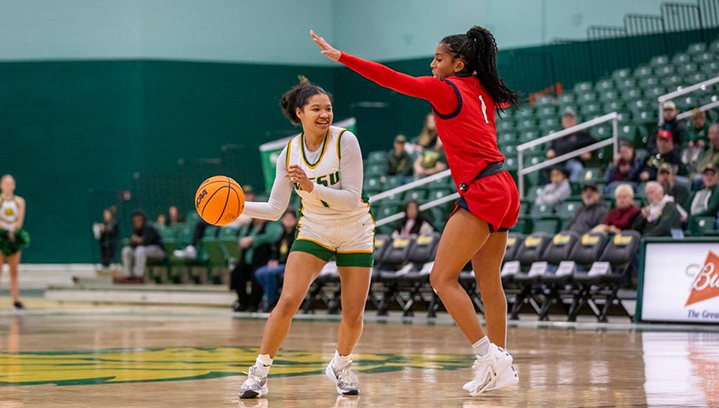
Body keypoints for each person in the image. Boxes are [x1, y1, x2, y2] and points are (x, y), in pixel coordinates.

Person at [311, 25, 520, 395]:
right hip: (505, 185)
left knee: (441, 279)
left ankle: (489, 355)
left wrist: (342, 57)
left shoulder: (446, 90)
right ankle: (499, 362)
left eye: (439, 58)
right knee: (490, 282)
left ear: (458, 63)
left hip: (484, 189)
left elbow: (392, 79)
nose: (432, 64)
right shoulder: (485, 90)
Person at [238, 77, 375, 398]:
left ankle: (341, 365)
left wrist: (313, 188)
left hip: (355, 228)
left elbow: (352, 198)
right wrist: (236, 208)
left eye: (328, 108)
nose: (325, 114)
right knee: (287, 300)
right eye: (316, 109)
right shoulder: (289, 153)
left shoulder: (345, 141)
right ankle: (258, 373)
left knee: (353, 313)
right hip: (315, 228)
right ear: (299, 113)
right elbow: (274, 209)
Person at [230, 218, 283, 313]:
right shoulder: (249, 226)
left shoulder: (271, 225)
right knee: (236, 272)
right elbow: (240, 239)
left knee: (256, 275)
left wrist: (254, 239)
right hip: (247, 260)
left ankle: (254, 303)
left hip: (263, 259)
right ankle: (243, 301)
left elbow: (274, 236)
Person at [255, 210, 297, 313]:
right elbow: (275, 250)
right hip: (278, 264)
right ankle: (275, 296)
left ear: (295, 220)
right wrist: (272, 260)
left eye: (290, 219)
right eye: (286, 218)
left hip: (288, 265)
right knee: (259, 273)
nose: (288, 221)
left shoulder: (297, 236)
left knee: (269, 273)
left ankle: (270, 301)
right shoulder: (282, 234)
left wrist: (280, 263)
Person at [0, 175, 29, 310]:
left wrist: (13, 230)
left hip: (14, 238)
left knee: (14, 270)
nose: (8, 186)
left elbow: (19, 219)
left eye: (11, 183)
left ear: (14, 186)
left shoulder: (19, 201)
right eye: (6, 183)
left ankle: (16, 299)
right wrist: (6, 229)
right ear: (1, 185)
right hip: (1, 236)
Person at [545, 107, 598, 181]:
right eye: (566, 119)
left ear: (575, 120)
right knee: (545, 165)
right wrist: (550, 151)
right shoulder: (559, 135)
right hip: (558, 161)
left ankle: (573, 188)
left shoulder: (581, 134)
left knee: (576, 167)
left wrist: (590, 153)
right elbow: (551, 148)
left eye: (570, 119)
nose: (568, 121)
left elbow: (595, 143)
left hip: (572, 161)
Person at [120, 211, 165, 282]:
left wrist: (139, 240)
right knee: (126, 250)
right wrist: (137, 240)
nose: (136, 222)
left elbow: (147, 242)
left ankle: (139, 276)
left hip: (157, 250)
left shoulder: (149, 226)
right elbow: (132, 243)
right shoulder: (136, 228)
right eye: (134, 220)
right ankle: (128, 275)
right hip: (145, 250)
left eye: (138, 220)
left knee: (140, 250)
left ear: (142, 219)